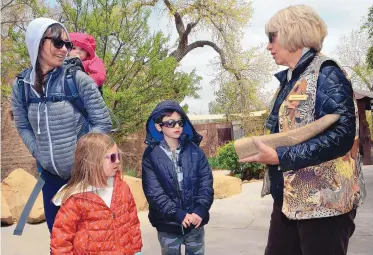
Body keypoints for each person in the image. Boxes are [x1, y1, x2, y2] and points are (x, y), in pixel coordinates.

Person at [241, 5, 366, 255]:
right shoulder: (291, 79)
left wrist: (281, 157)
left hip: (324, 206)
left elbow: (341, 136)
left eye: (271, 38)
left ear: (292, 33)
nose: (268, 46)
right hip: (290, 201)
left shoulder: (327, 73)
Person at [11, 18, 112, 233]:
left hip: (83, 180)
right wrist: (39, 152)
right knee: (58, 243)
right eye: (58, 43)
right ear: (37, 42)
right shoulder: (21, 86)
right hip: (51, 179)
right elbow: (22, 125)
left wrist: (84, 160)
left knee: (88, 243)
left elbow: (103, 122)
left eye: (68, 45)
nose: (65, 49)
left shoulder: (78, 79)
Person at [51, 133, 142, 254]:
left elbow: (132, 224)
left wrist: (136, 250)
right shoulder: (76, 199)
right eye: (112, 157)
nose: (118, 161)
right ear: (93, 161)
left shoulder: (122, 189)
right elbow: (61, 242)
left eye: (118, 155)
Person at [142, 100, 214, 255]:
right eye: (170, 123)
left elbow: (206, 182)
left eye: (180, 123)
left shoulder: (195, 151)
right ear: (158, 126)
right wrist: (177, 214)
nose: (177, 127)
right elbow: (153, 192)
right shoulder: (151, 155)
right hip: (168, 223)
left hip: (195, 222)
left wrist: (200, 210)